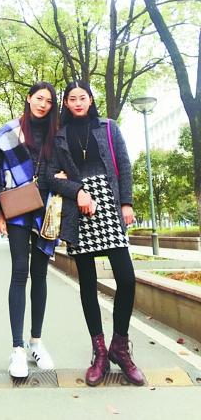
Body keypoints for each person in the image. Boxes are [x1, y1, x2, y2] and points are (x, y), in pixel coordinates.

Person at [48, 80, 144, 386]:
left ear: (90, 100)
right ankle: (100, 352)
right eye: (72, 98)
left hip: (109, 203)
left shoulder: (109, 127)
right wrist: (76, 191)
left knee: (126, 279)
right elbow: (48, 177)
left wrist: (126, 202)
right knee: (87, 283)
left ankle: (120, 346)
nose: (78, 102)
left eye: (83, 97)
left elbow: (124, 165)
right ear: (66, 103)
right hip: (79, 209)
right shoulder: (59, 136)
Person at [0, 82, 58, 378]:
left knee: (41, 274)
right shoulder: (9, 132)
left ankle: (36, 342)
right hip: (18, 207)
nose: (43, 104)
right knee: (20, 271)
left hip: (48, 208)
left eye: (49, 101)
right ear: (29, 98)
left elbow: (65, 165)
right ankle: (17, 348)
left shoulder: (57, 133)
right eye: (39, 98)